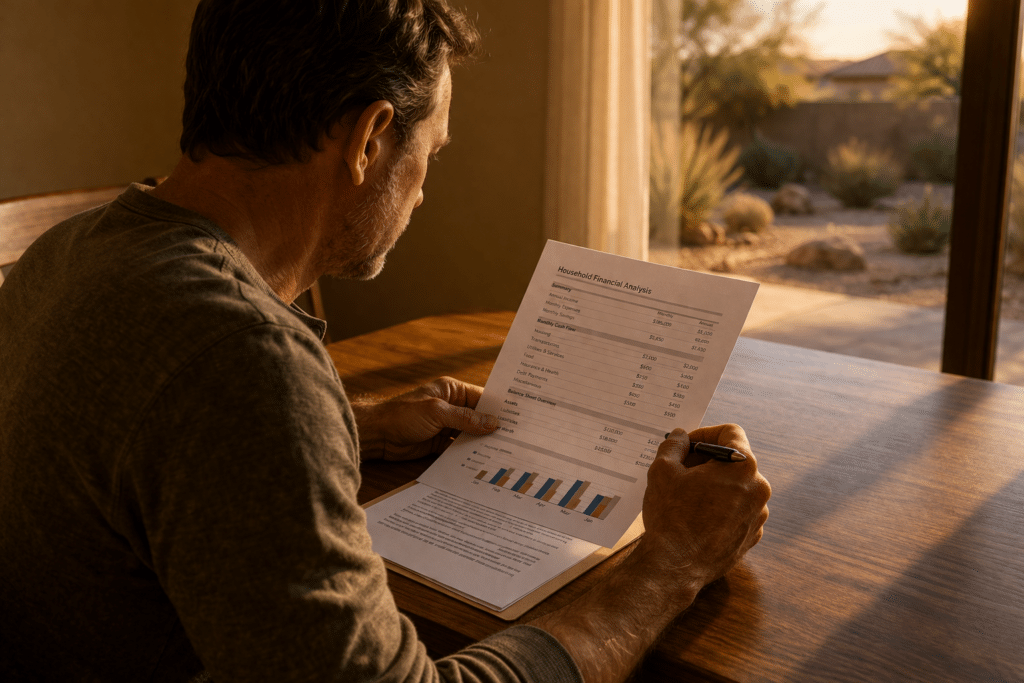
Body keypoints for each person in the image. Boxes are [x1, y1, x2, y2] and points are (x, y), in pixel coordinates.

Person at [0, 1, 771, 681]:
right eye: (430, 153)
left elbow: (137, 432)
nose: (425, 188)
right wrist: (671, 563)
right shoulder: (243, 361)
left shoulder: (66, 253)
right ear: (370, 138)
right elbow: (225, 382)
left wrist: (350, 421)